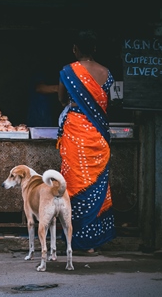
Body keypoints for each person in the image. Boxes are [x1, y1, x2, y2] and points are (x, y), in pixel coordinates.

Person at [57, 30, 116, 254]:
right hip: (99, 136)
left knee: (73, 183)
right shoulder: (106, 73)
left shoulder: (67, 71)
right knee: (97, 184)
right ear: (95, 49)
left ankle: (75, 238)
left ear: (75, 49)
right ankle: (93, 241)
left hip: (75, 133)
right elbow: (107, 102)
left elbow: (62, 98)